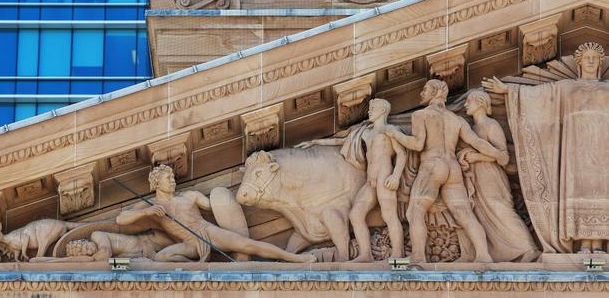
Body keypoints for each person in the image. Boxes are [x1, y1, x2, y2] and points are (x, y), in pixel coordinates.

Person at [483, 42, 609, 254]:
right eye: (586, 57)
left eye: (594, 58)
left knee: (601, 193)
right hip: (574, 151)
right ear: (579, 63)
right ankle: (583, 245)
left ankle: (598, 245)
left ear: (599, 62)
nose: (590, 61)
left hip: (602, 152)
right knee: (576, 191)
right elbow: (539, 96)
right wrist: (509, 90)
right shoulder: (566, 88)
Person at [386, 79, 508, 263]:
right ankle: (483, 256)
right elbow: (477, 142)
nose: (421, 93)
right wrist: (499, 154)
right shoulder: (456, 119)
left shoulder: (421, 115)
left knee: (415, 211)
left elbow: (417, 145)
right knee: (465, 214)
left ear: (435, 91)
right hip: (453, 167)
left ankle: (418, 257)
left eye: (425, 89)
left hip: (433, 165)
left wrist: (396, 134)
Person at [116, 165, 316, 263]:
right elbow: (120, 219)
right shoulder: (151, 206)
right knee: (162, 258)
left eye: (173, 177)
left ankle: (295, 259)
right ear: (156, 183)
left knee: (248, 245)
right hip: (189, 244)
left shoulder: (190, 196)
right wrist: (147, 213)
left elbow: (217, 205)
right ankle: (199, 267)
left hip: (207, 232)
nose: (173, 180)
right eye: (168, 178)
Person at [297, 99, 407, 262]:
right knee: (355, 215)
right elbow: (340, 141)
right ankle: (365, 255)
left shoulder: (389, 130)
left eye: (373, 108)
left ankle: (399, 258)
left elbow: (402, 153)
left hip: (385, 176)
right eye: (370, 108)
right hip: (370, 180)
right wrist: (315, 142)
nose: (369, 111)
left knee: (389, 215)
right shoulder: (365, 132)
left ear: (383, 110)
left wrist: (396, 175)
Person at [459, 90, 539, 262]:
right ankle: (500, 254)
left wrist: (477, 157)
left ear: (480, 103)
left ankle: (529, 248)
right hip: (476, 177)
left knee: (500, 210)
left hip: (491, 176)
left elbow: (503, 157)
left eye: (469, 101)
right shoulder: (471, 129)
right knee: (481, 214)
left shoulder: (491, 125)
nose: (465, 105)